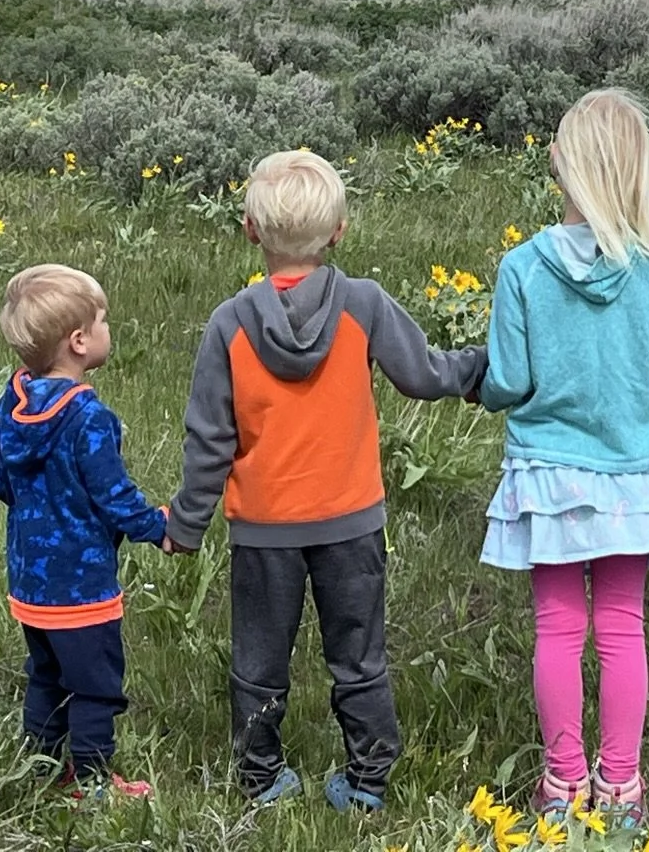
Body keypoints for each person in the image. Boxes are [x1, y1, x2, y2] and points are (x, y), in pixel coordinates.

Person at [165, 150, 488, 812]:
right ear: (340, 229)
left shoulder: (229, 324)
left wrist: (187, 524)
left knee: (258, 663)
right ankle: (368, 781)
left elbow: (209, 440)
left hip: (263, 530)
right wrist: (486, 369)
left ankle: (261, 780)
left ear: (251, 230)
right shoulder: (363, 304)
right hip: (352, 523)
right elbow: (424, 375)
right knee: (359, 657)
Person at [478, 88, 649, 830]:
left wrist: (479, 378)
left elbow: (508, 383)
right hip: (631, 476)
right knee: (623, 627)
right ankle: (621, 787)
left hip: (547, 472)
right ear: (639, 173)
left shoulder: (521, 269)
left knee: (557, 629)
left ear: (559, 165)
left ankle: (562, 785)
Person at [0, 263, 170, 803]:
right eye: (103, 320)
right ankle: (89, 781)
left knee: (46, 675)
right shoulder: (88, 416)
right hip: (82, 585)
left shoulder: (13, 402)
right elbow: (113, 495)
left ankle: (38, 768)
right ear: (80, 340)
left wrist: (35, 515)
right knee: (95, 686)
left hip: (29, 583)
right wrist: (155, 526)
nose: (109, 329)